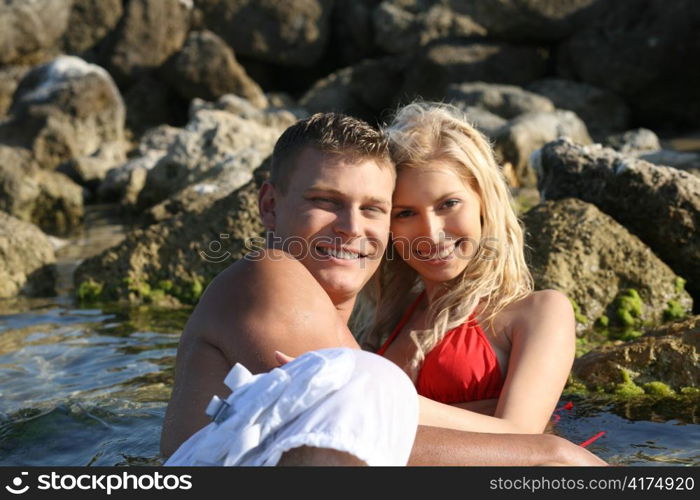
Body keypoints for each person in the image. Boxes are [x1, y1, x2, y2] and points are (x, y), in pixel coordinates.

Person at [160, 112, 606, 466]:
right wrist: (549, 453)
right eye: (325, 201)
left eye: (373, 209)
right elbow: (349, 415)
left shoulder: (364, 323)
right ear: (270, 206)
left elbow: (353, 411)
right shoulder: (272, 275)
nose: (353, 228)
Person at [360, 102, 575, 435]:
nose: (430, 233)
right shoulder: (385, 319)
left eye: (448, 204)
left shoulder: (539, 312)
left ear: (484, 202)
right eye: (405, 213)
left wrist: (373, 400)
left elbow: (519, 435)